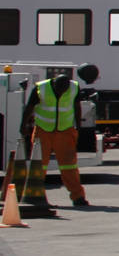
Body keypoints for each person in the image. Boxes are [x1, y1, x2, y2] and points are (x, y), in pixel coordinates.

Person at [25, 67, 90, 208]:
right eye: (60, 89)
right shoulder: (41, 88)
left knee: (69, 166)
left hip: (65, 130)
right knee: (39, 165)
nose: (62, 92)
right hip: (43, 130)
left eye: (64, 90)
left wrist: (78, 126)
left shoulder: (74, 88)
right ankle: (35, 195)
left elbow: (77, 106)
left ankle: (78, 197)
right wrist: (23, 125)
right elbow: (29, 107)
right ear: (54, 84)